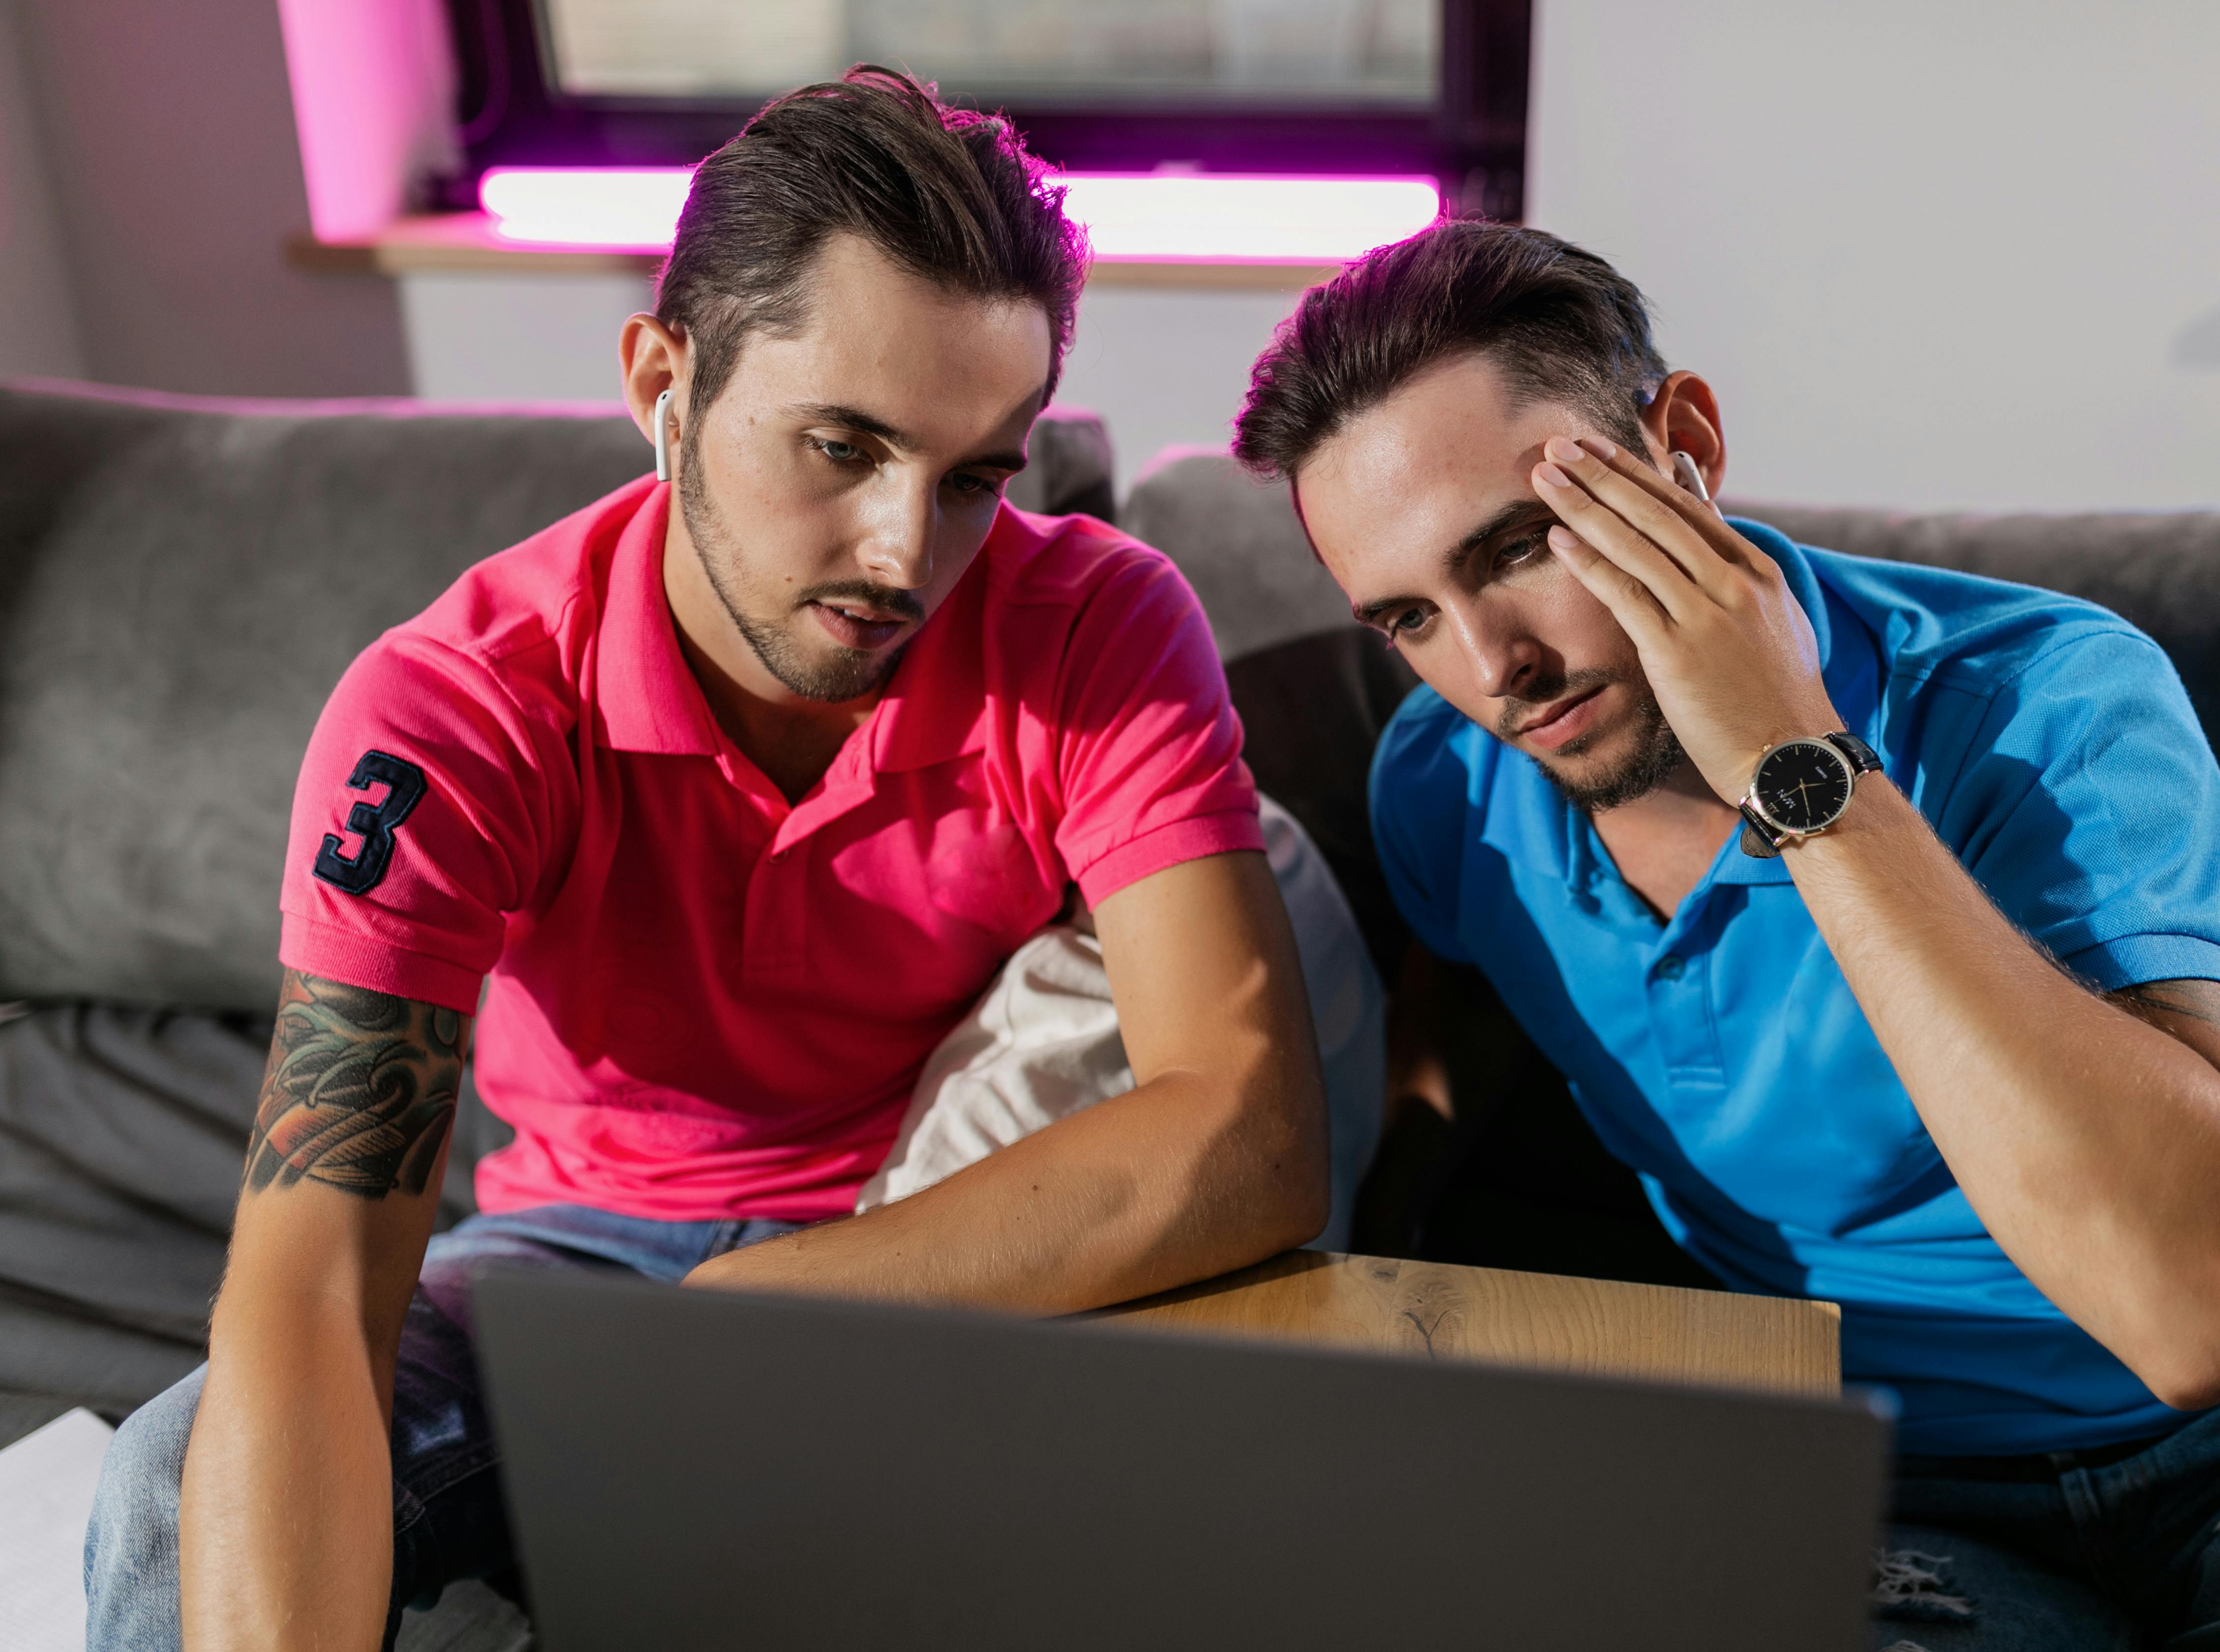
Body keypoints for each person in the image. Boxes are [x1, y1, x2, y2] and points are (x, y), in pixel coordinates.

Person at [87, 70, 1330, 1651]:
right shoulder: (454, 710)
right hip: (577, 1263)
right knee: (167, 1482)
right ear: (664, 383)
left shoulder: (1096, 622)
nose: (904, 556)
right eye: (841, 447)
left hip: (966, 1227)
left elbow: (1246, 1126)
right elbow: (314, 1282)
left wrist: (752, 1327)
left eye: (971, 478)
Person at [1230, 220, 2220, 1648]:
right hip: (1885, 1489)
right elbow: (1461, 1042)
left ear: (1683, 442)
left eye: (1520, 546)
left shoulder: (2044, 705)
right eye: (1409, 619)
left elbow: (2200, 1323)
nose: (1496, 671)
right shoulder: (1451, 791)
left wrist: (1797, 766)